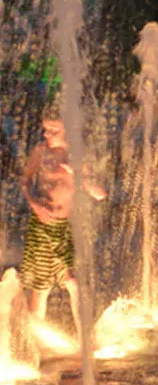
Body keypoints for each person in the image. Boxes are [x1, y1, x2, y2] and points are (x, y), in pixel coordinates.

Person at [20, 107, 106, 336]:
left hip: (63, 228)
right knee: (42, 287)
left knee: (74, 282)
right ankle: (31, 342)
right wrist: (34, 203)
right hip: (42, 226)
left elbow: (100, 194)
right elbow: (25, 180)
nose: (47, 135)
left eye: (53, 130)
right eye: (45, 130)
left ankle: (84, 341)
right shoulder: (41, 152)